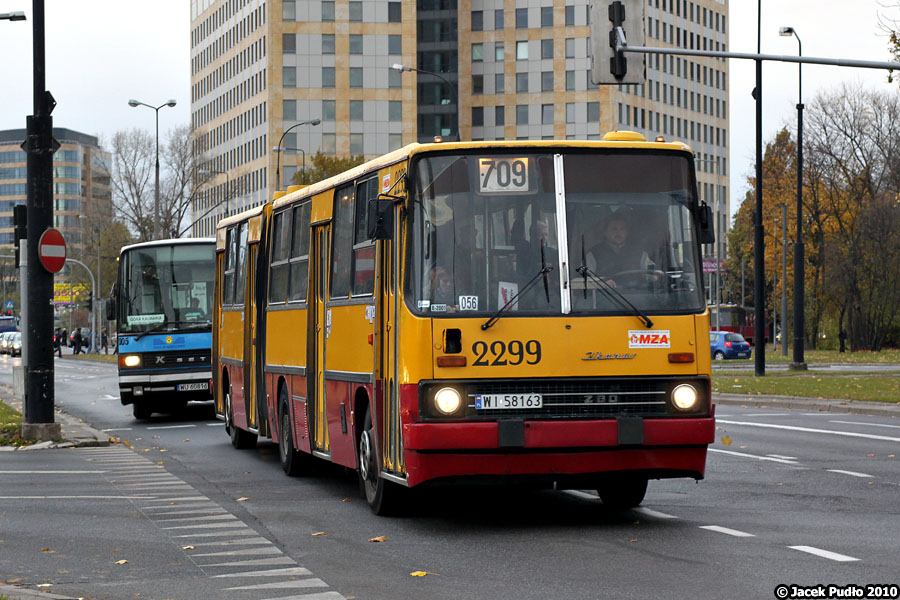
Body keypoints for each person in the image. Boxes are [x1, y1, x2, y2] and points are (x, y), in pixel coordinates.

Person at [587, 212, 651, 288]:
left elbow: (651, 275)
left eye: (622, 229)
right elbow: (585, 280)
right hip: (604, 297)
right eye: (614, 229)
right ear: (605, 232)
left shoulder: (640, 254)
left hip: (637, 296)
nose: (618, 233)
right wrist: (601, 283)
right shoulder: (593, 254)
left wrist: (654, 277)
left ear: (627, 232)